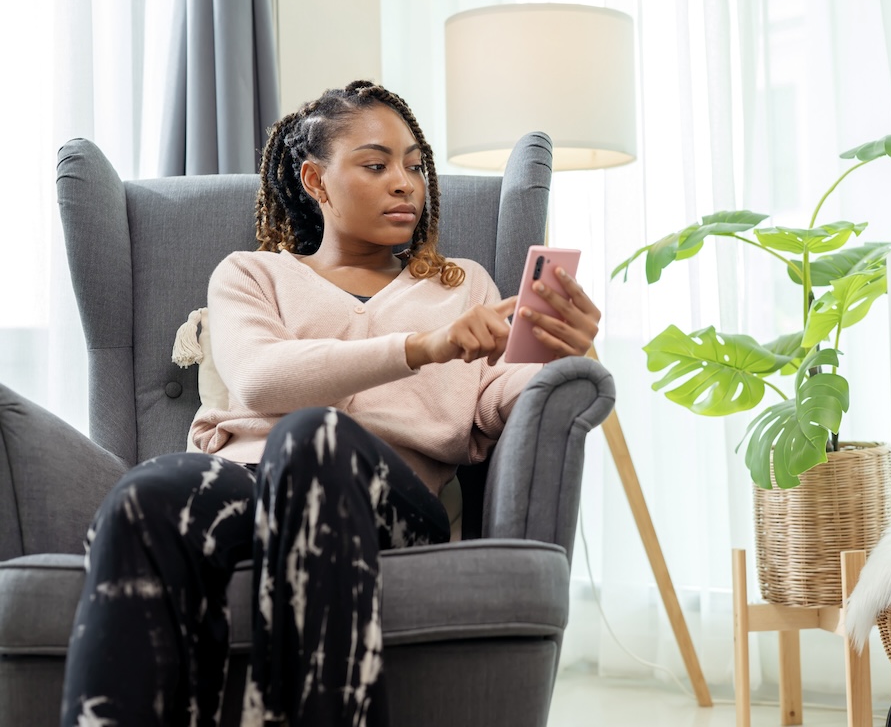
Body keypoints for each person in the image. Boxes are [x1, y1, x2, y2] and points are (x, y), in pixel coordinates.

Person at [59, 80, 601, 727]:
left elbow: (501, 402)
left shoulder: (463, 289)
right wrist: (423, 347)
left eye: (414, 167)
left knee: (314, 438)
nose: (405, 184)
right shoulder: (252, 274)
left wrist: (558, 354)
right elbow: (260, 379)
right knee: (144, 494)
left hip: (386, 500)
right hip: (244, 481)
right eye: (376, 166)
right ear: (316, 181)